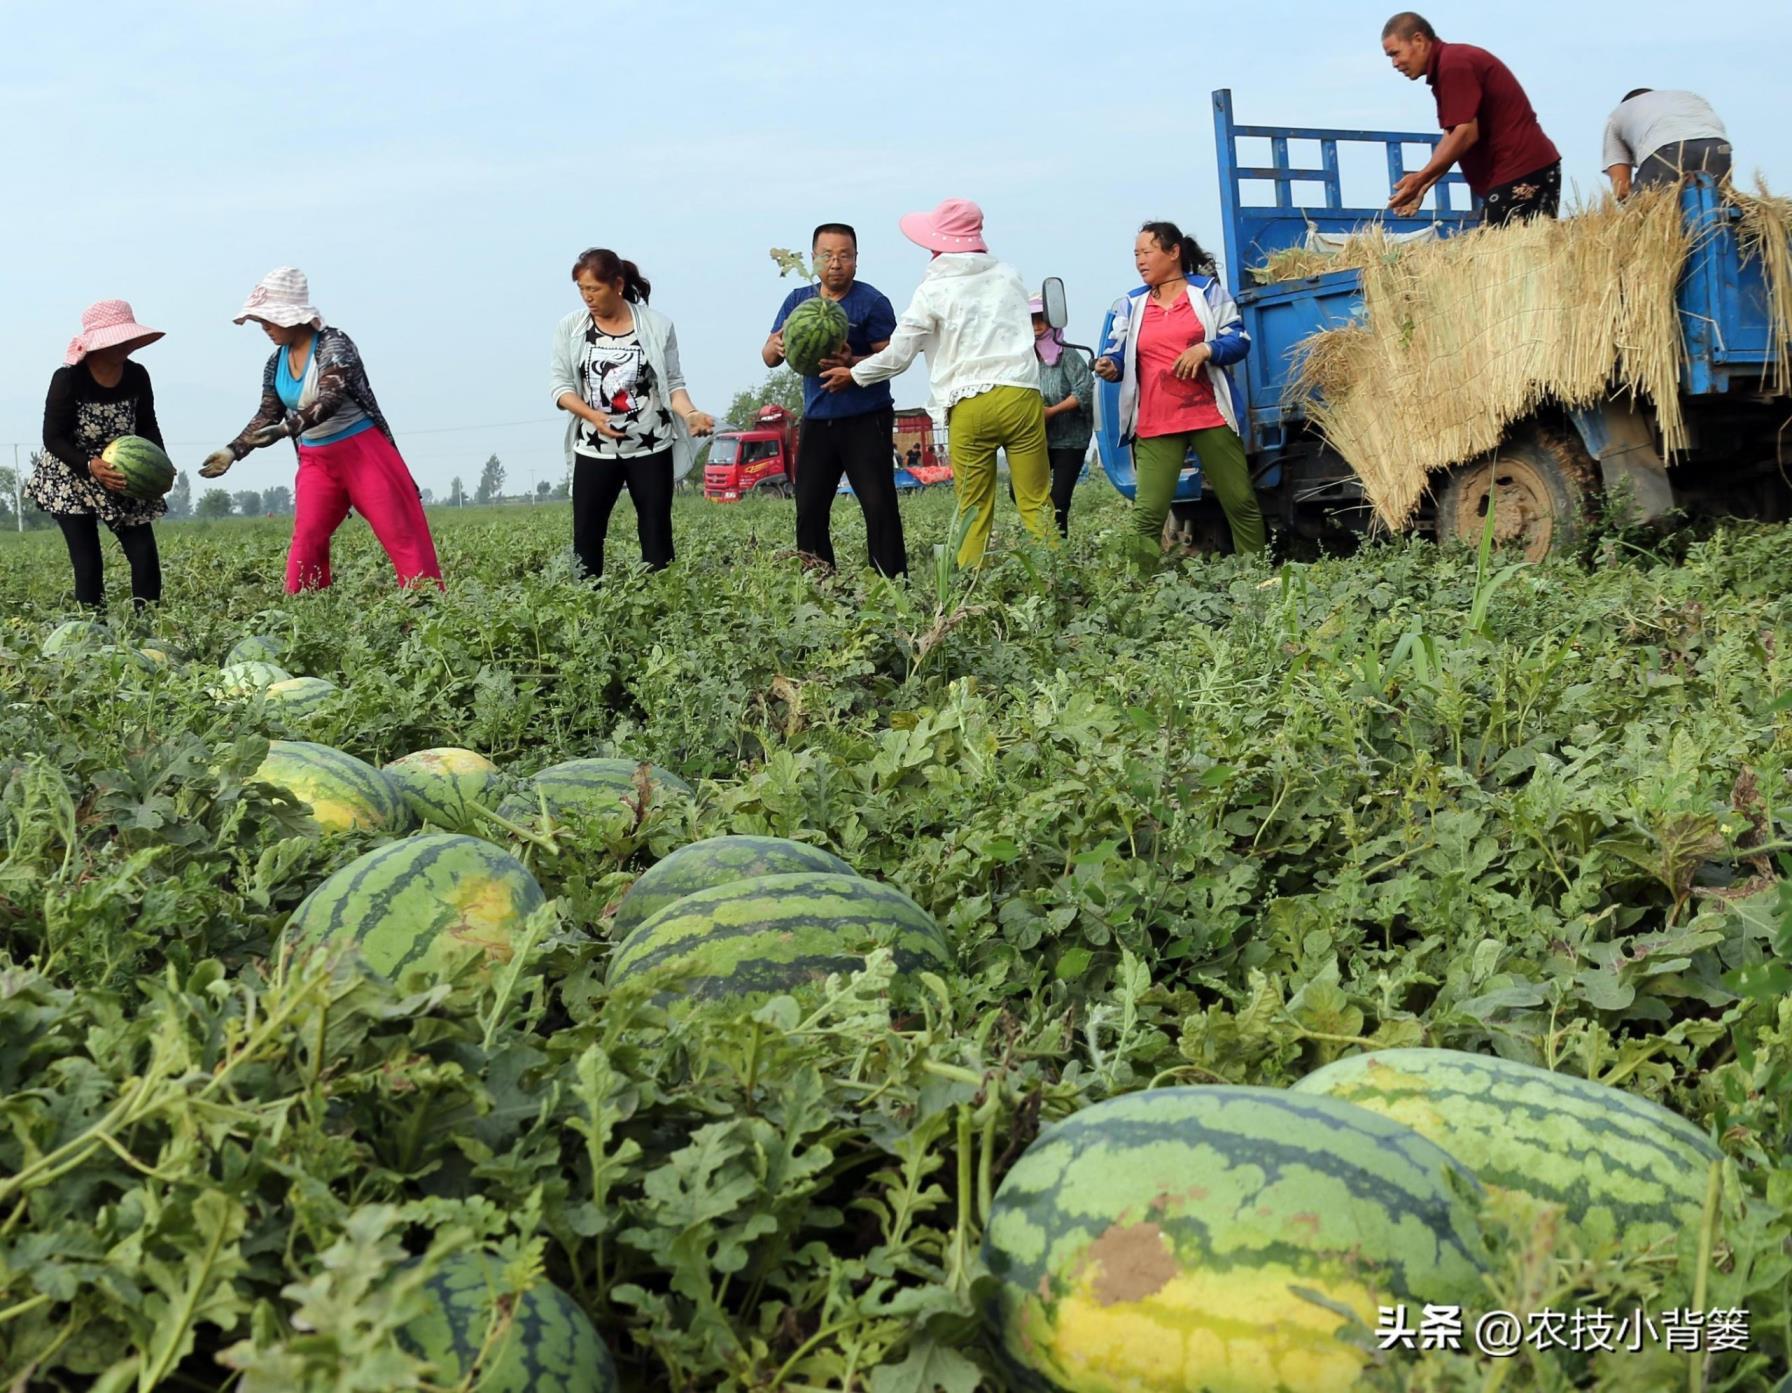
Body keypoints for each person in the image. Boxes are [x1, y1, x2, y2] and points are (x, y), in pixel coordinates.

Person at [820, 199, 1053, 567]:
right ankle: (1058, 580)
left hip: (970, 401)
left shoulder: (933, 290)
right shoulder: (1010, 276)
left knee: (974, 508)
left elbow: (899, 354)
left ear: (936, 244)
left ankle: (968, 592)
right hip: (1022, 396)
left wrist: (854, 373)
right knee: (1036, 500)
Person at [199, 267, 442, 593]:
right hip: (316, 460)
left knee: (401, 534)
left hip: (363, 452)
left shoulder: (335, 345)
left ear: (293, 316)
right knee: (307, 540)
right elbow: (267, 413)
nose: (264, 328)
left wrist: (288, 428)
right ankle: (305, 618)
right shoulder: (275, 362)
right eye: (260, 321)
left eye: (269, 319)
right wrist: (233, 451)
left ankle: (428, 613)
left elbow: (330, 397)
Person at [1093, 221, 1265, 564]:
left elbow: (1239, 340)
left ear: (1173, 253)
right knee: (1148, 514)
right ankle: (1137, 588)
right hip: (1157, 421)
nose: (1140, 261)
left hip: (1209, 414)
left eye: (1147, 252)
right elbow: (1118, 353)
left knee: (1240, 502)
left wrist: (1206, 350)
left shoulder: (1207, 293)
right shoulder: (1131, 304)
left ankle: (1256, 575)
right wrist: (1110, 366)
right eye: (1136, 254)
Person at [550, 248, 715, 581]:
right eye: (582, 289)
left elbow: (673, 383)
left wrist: (691, 413)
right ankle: (586, 606)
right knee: (587, 534)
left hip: (649, 446)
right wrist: (592, 416)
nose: (587, 297)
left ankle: (660, 605)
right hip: (595, 447)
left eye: (594, 289)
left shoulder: (656, 326)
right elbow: (560, 387)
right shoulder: (571, 328)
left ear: (618, 285)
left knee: (655, 531)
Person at [764, 223, 906, 577]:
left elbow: (891, 359)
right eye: (827, 255)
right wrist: (779, 345)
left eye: (845, 255)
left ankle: (892, 583)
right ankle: (819, 582)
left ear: (857, 260)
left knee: (878, 505)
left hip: (866, 417)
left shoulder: (872, 302)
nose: (836, 263)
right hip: (817, 419)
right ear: (814, 259)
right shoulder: (798, 302)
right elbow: (768, 355)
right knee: (809, 507)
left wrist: (852, 365)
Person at [31, 301, 168, 609]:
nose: (126, 345)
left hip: (122, 474)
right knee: (88, 564)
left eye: (128, 338)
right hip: (72, 473)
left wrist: (161, 464)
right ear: (98, 343)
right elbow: (53, 438)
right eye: (118, 339)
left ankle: (148, 627)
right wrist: (90, 465)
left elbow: (147, 425)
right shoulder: (68, 380)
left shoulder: (137, 376)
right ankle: (94, 640)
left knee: (144, 556)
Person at [1381, 12, 1562, 225]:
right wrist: (1422, 186)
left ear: (1419, 41)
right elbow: (1452, 136)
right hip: (1523, 170)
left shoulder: (1454, 65)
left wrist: (1421, 178)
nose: (1394, 63)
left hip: (1521, 170)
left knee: (1496, 253)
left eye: (1396, 53)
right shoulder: (1446, 66)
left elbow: (1466, 134)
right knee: (1517, 253)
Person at [1029, 295, 1095, 537]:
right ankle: (1043, 540)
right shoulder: (1025, 359)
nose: (1036, 326)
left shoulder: (1068, 355)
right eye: (1032, 320)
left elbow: (1085, 389)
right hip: (1039, 440)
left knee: (1059, 502)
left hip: (1071, 440)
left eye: (1042, 320)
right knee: (1020, 492)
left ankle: (1058, 555)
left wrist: (1052, 412)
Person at [1603, 89, 1732, 200]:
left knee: (1647, 209)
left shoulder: (1617, 115)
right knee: (1718, 203)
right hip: (1717, 145)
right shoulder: (1686, 96)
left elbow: (1622, 189)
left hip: (1666, 148)